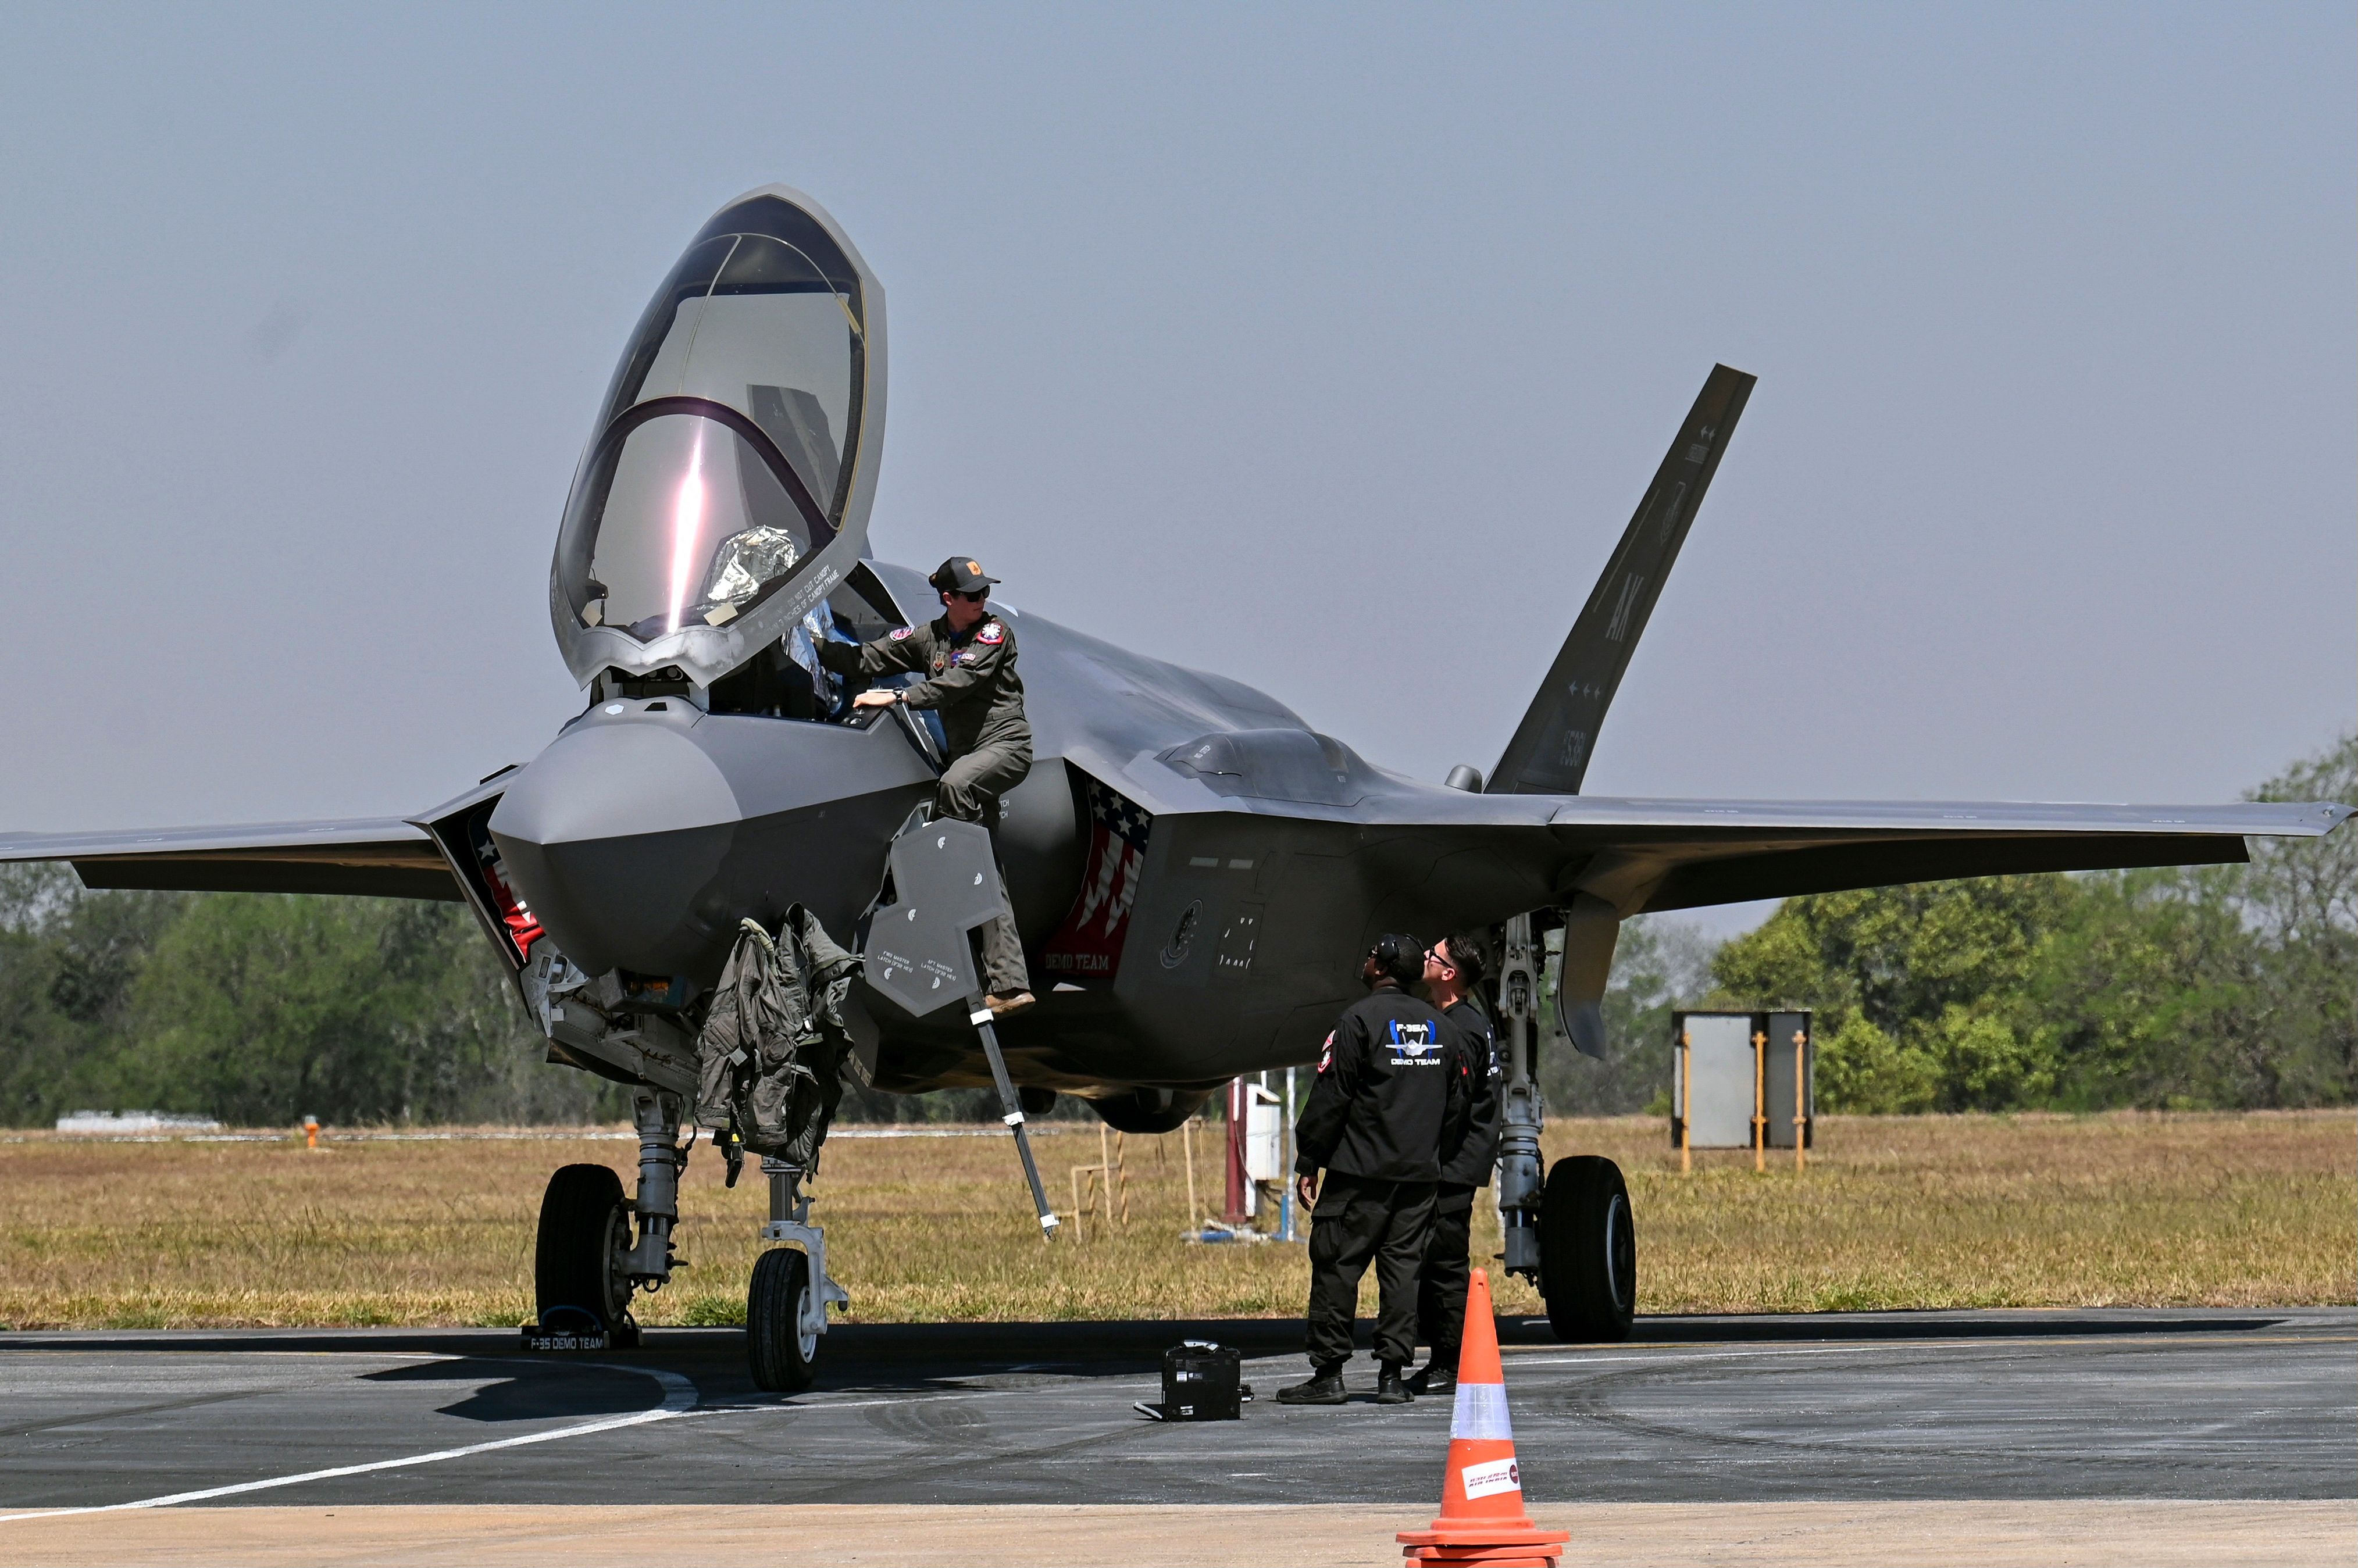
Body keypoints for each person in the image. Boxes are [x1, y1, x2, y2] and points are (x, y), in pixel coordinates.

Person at [818, 556, 1034, 1016]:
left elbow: (958, 682)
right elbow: (868, 656)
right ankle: (1010, 983)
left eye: (984, 594)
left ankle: (944, 861)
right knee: (984, 869)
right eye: (972, 595)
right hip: (969, 759)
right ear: (948, 599)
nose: (981, 602)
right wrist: (813, 646)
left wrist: (898, 696)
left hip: (1004, 747)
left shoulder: (993, 634)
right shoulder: (927, 638)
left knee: (952, 786)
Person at [1277, 933, 1467, 1407]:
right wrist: (1431, 1154)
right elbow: (1458, 1106)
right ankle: (1391, 1376)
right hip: (1418, 1178)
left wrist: (1310, 1159)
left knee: (1336, 1265)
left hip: (1359, 1174)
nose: (1363, 962)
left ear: (1381, 966)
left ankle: (1328, 1372)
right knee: (1403, 1272)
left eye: (1369, 956)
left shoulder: (1357, 1021)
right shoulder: (1443, 1028)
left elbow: (1331, 1094)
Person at [1409, 930, 1500, 1396]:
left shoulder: (1461, 1027)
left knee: (1443, 1263)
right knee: (1434, 1260)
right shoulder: (1463, 1020)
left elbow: (1455, 1103)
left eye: (1432, 954)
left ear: (1448, 974)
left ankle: (1447, 1360)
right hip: (1452, 1163)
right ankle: (1441, 1355)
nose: (1422, 956)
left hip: (1450, 1165)